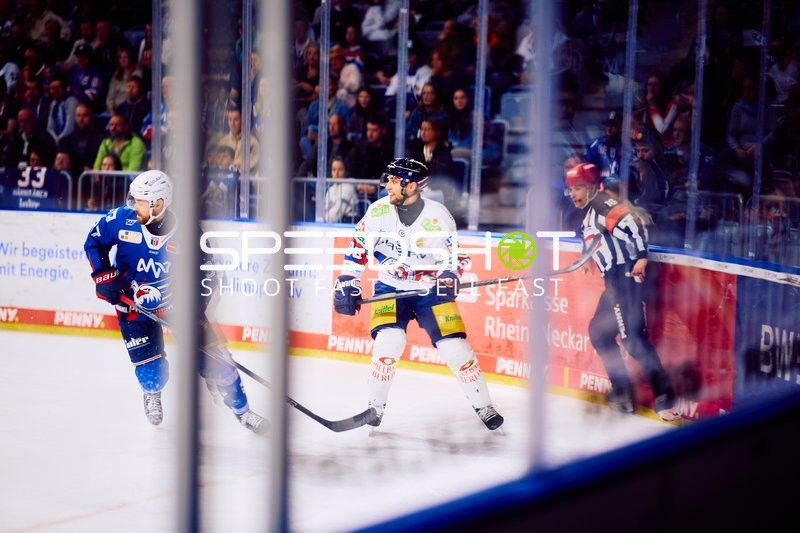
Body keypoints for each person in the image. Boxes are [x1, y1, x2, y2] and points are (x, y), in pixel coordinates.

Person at [83, 170, 267, 432]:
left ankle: (243, 411)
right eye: (132, 199)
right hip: (133, 307)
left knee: (219, 363)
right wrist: (104, 277)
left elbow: (207, 275)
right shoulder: (121, 220)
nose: (132, 206)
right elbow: (93, 242)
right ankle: (152, 392)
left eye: (139, 201)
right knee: (152, 375)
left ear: (158, 204)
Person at [332, 158, 504, 431]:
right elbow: (357, 248)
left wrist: (450, 276)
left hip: (430, 291)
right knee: (389, 340)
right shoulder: (377, 212)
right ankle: (375, 407)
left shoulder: (439, 217)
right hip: (389, 287)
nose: (387, 185)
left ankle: (484, 405)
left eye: (393, 181)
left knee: (455, 347)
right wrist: (347, 281)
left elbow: (456, 256)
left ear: (411, 186)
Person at [564, 162, 679, 421]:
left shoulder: (604, 205)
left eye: (578, 188)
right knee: (599, 333)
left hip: (626, 278)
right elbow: (596, 240)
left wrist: (641, 257)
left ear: (593, 186)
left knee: (633, 340)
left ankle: (665, 395)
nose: (573, 194)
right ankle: (623, 392)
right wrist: (587, 257)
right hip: (613, 282)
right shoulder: (590, 212)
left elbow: (634, 224)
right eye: (570, 189)